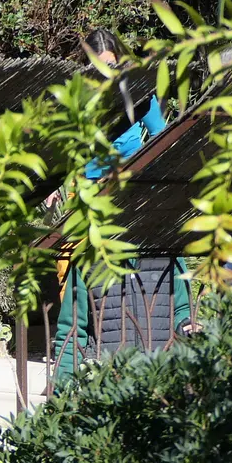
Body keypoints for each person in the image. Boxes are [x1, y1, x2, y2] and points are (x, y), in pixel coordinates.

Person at [51, 29, 192, 383]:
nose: (105, 72)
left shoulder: (140, 93)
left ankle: (157, 334)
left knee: (150, 260)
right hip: (89, 195)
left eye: (110, 65)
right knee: (84, 275)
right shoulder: (79, 99)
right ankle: (81, 354)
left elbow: (161, 138)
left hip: (131, 190)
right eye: (97, 66)